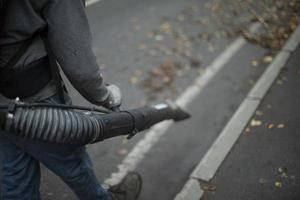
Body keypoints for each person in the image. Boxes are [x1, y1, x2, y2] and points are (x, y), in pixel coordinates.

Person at [0, 0, 142, 199]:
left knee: (17, 177)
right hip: (36, 101)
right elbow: (78, 63)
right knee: (74, 166)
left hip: (3, 104)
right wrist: (106, 96)